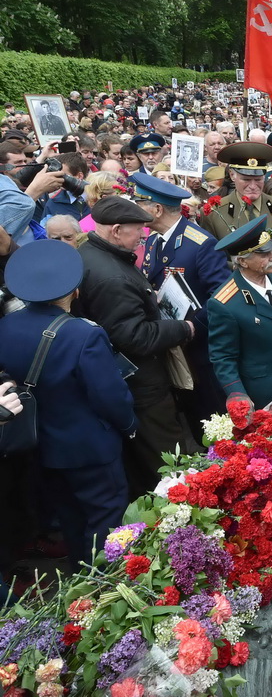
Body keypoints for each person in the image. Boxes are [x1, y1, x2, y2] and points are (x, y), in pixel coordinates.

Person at [0, 240, 135, 568]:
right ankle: (108, 580)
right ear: (74, 291)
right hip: (89, 448)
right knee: (106, 515)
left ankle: (79, 574)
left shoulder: (6, 326)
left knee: (70, 517)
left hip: (40, 445)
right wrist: (129, 425)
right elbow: (109, 395)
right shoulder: (83, 335)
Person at [74, 196, 194, 497]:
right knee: (167, 463)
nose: (144, 236)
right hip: (142, 385)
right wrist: (182, 328)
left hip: (125, 379)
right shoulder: (111, 277)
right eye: (138, 229)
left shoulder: (92, 253)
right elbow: (135, 337)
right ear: (116, 230)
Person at [133, 172, 230, 429]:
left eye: (139, 203)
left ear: (156, 209)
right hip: (173, 345)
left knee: (213, 415)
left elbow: (221, 296)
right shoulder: (154, 240)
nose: (135, 210)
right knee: (193, 413)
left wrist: (191, 328)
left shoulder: (200, 243)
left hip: (200, 347)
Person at [207, 216, 272, 409]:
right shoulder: (225, 303)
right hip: (268, 390)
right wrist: (236, 393)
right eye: (264, 254)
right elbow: (223, 357)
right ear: (243, 262)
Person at [200, 142, 272, 267]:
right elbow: (209, 257)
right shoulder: (215, 213)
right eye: (246, 179)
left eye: (258, 179)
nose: (253, 186)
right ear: (232, 175)